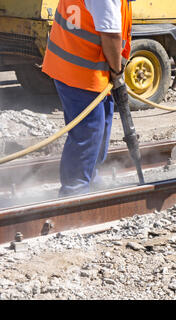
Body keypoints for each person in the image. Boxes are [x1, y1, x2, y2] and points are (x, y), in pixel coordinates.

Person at [42, 0, 133, 197]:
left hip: (81, 67)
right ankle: (74, 193)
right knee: (88, 133)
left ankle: (90, 179)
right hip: (82, 73)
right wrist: (117, 73)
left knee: (100, 129)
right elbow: (111, 36)